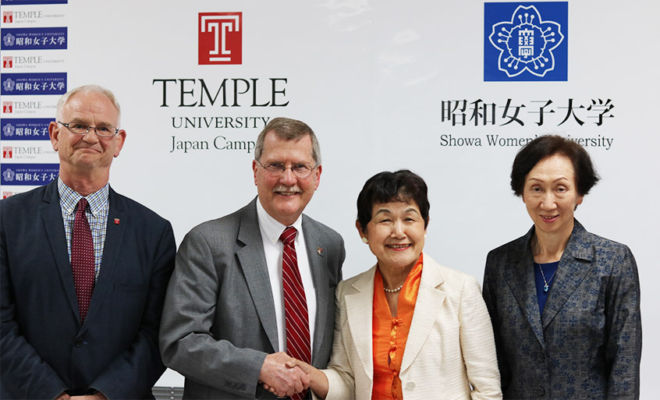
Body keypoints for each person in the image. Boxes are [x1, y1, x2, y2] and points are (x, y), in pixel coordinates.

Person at [0, 85, 176, 399]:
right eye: (78, 125)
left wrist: (105, 394)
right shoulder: (6, 219)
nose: (91, 137)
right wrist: (51, 394)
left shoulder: (153, 231)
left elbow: (157, 333)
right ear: (55, 135)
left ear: (119, 142)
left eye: (104, 128)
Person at [159, 117, 345, 399]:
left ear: (317, 175)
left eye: (299, 167)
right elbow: (181, 342)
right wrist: (259, 367)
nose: (288, 178)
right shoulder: (208, 242)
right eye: (275, 166)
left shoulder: (329, 245)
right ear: (255, 171)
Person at [277, 170, 501, 400]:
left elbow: (488, 390)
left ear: (425, 226)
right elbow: (347, 381)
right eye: (385, 220)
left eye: (409, 219)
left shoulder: (461, 290)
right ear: (362, 230)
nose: (398, 232)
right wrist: (309, 375)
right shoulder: (347, 293)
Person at [482, 135, 642, 399]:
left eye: (560, 188)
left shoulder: (612, 260)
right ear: (522, 192)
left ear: (580, 194)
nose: (547, 203)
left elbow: (624, 365)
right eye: (536, 188)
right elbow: (493, 360)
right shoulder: (501, 262)